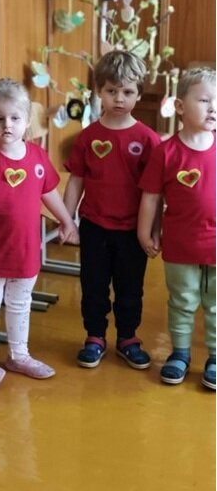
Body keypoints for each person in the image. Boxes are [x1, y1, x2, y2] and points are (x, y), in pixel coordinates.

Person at [0, 79, 78, 389]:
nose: (7, 125)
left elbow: (49, 192)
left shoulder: (37, 156)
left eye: (15, 118)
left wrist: (66, 220)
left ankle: (19, 355)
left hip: (26, 250)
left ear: (27, 121)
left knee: (20, 303)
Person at [63, 50, 161, 369]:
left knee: (130, 288)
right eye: (111, 91)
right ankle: (94, 336)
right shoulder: (88, 137)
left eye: (128, 92)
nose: (119, 98)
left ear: (139, 94)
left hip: (132, 230)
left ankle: (128, 338)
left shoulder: (148, 140)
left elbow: (155, 192)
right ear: (98, 91)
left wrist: (154, 230)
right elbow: (76, 180)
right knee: (93, 286)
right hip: (94, 226)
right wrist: (67, 220)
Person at [138, 67, 216, 389]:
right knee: (182, 301)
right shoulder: (166, 152)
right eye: (205, 100)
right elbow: (151, 197)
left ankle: (214, 357)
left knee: (215, 304)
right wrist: (145, 231)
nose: (213, 108)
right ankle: (180, 353)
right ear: (180, 106)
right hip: (181, 244)